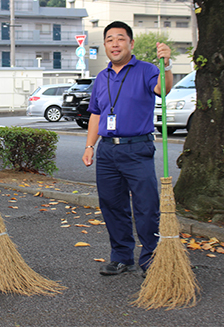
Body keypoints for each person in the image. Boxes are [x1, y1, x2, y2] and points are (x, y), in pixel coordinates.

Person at [82, 21, 172, 277]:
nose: (114, 44)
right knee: (112, 205)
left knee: (146, 206)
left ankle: (151, 258)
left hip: (137, 148)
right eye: (109, 40)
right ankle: (121, 257)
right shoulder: (102, 77)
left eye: (120, 39)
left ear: (130, 43)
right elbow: (96, 116)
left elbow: (162, 90)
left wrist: (167, 65)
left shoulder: (147, 70)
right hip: (108, 151)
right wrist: (90, 146)